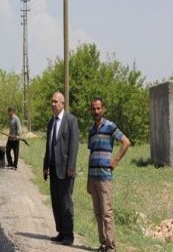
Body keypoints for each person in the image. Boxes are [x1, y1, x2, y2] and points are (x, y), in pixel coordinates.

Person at [87, 97, 130, 252]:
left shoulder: (110, 126)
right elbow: (91, 155)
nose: (96, 111)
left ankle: (111, 247)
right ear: (91, 110)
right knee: (98, 213)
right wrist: (88, 180)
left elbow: (126, 142)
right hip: (93, 177)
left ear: (103, 109)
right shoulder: (91, 131)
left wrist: (116, 160)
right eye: (93, 109)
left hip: (105, 178)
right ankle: (103, 243)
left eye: (98, 108)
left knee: (107, 213)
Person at [43, 91, 79, 246]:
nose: (53, 104)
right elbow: (49, 146)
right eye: (51, 101)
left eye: (55, 102)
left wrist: (71, 166)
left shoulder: (71, 121)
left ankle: (68, 235)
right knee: (56, 202)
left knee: (66, 204)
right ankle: (60, 232)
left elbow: (74, 145)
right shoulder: (51, 123)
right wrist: (45, 166)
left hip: (65, 170)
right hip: (53, 169)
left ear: (62, 104)